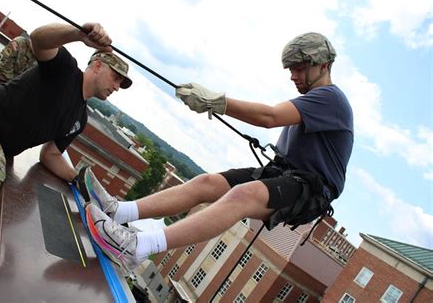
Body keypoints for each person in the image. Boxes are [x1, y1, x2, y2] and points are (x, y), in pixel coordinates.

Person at [82, 32, 354, 274]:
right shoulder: (315, 100)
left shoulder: (330, 98)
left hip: (311, 190)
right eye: (291, 69)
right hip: (286, 172)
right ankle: (119, 211)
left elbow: (269, 117)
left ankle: (136, 247)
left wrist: (216, 102)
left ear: (323, 65)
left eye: (300, 68)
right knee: (207, 183)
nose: (293, 76)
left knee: (242, 196)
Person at [0, 22, 133, 223]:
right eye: (115, 77)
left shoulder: (79, 119)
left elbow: (50, 154)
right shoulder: (65, 70)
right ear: (97, 66)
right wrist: (78, 34)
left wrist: (80, 181)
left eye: (120, 83)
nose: (117, 87)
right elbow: (39, 40)